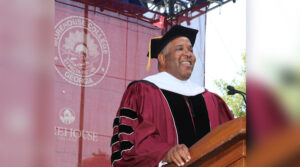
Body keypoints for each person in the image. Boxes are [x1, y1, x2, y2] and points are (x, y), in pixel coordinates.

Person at [110, 25, 234, 167]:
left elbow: (232, 142)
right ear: (162, 59)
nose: (188, 54)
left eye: (191, 50)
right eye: (180, 49)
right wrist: (164, 153)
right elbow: (127, 145)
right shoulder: (142, 91)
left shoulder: (211, 100)